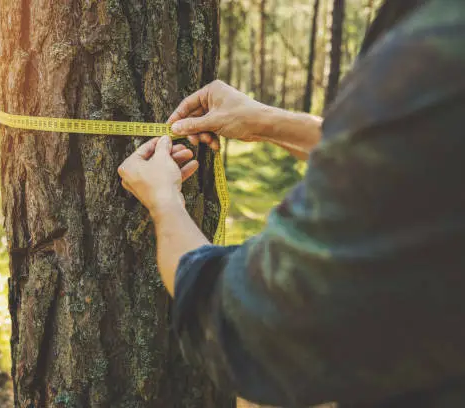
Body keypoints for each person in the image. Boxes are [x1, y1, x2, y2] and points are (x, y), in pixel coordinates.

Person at [118, 0, 465, 407]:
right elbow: (417, 164)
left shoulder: (436, 52)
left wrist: (163, 201)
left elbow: (254, 325)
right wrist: (267, 121)